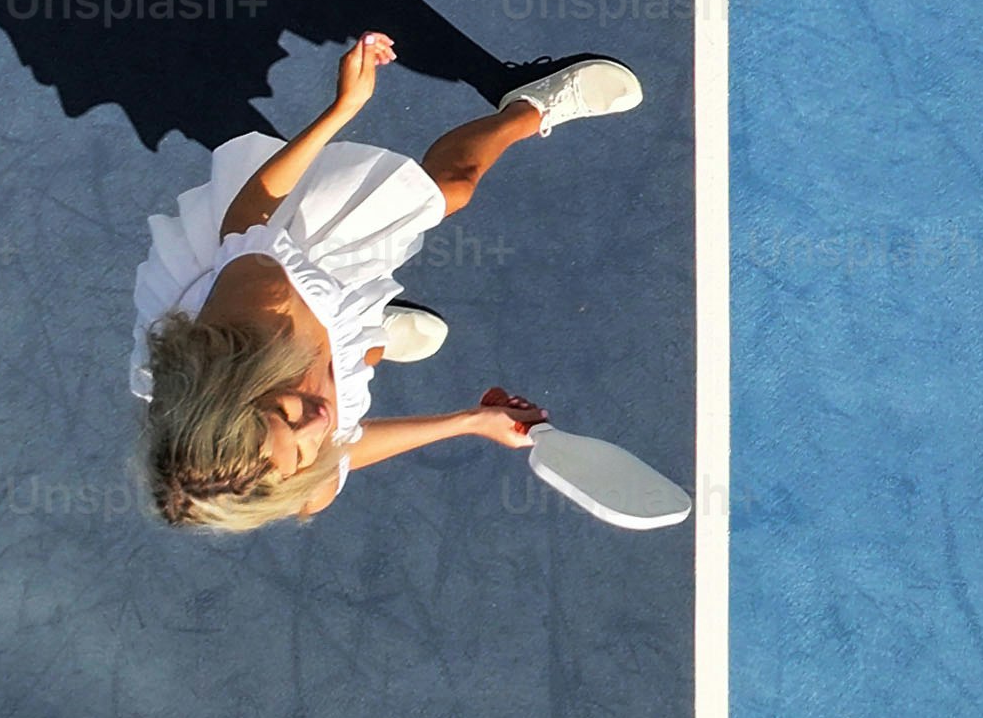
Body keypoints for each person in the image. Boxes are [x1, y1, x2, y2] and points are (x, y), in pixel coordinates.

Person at [130, 28, 644, 529]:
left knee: (448, 190)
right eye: (304, 449)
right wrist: (469, 421)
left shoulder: (255, 307)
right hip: (300, 340)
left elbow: (250, 215)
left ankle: (528, 107)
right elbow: (346, 442)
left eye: (284, 414)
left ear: (240, 389)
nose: (315, 424)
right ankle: (371, 328)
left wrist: (342, 110)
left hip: (284, 257)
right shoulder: (299, 482)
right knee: (361, 355)